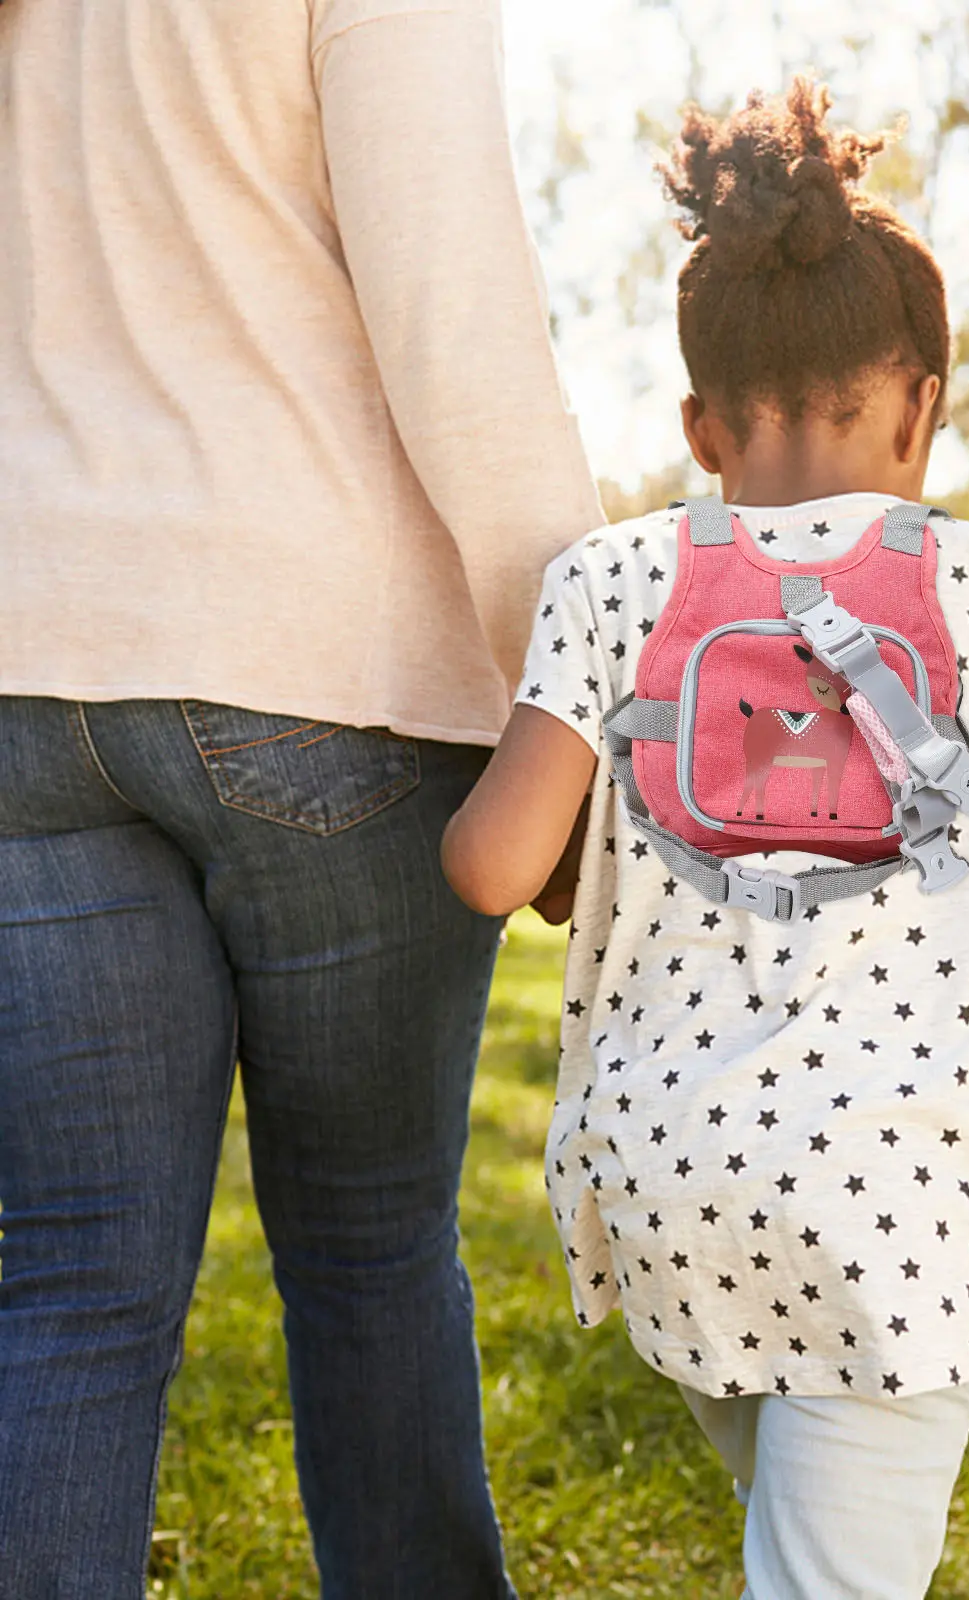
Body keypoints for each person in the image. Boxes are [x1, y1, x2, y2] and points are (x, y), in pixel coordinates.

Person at [441, 80, 969, 1600]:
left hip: (676, 1184)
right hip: (902, 1207)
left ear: (701, 424)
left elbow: (489, 869)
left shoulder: (610, 579)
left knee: (802, 1534)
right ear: (923, 402)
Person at [0, 0, 601, 1594]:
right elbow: (455, 325)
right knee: (370, 1258)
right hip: (315, 667)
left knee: (72, 1287)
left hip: (31, 668)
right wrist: (573, 689)